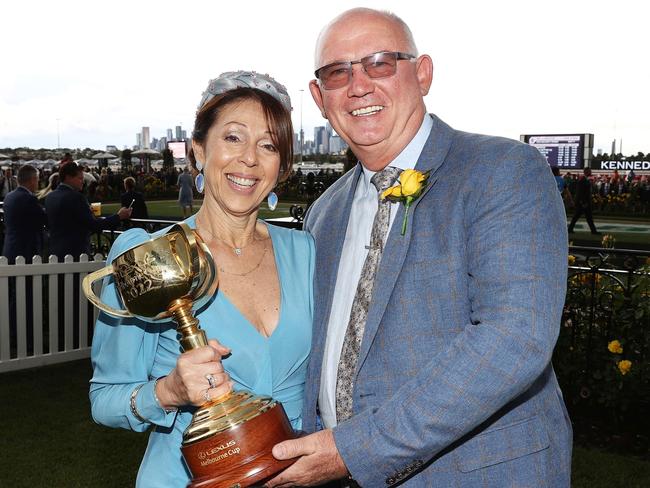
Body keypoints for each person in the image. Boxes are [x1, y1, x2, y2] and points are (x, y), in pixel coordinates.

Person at [268, 8, 571, 487]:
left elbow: (514, 336)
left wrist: (355, 450)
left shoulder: (504, 170)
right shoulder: (326, 211)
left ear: (423, 73)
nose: (359, 85)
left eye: (380, 63)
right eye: (336, 72)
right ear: (319, 98)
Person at [89, 71, 314, 487]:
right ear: (198, 149)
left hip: (294, 475)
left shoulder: (308, 253)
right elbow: (105, 399)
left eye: (268, 145)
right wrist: (170, 391)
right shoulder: (146, 257)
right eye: (233, 137)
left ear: (282, 166)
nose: (249, 158)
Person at [45, 162, 132, 261]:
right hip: (75, 253)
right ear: (68, 177)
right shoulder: (76, 197)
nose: (83, 181)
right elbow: (94, 225)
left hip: (55, 252)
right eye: (80, 178)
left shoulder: (50, 197)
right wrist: (118, 216)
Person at [2, 164, 47, 264]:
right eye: (37, 179)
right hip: (26, 251)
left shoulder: (9, 196)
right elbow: (44, 219)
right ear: (32, 180)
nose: (38, 182)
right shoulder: (29, 198)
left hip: (10, 248)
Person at [568, 167, 599, 234]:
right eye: (590, 171)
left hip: (584, 202)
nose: (591, 172)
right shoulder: (582, 180)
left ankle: (593, 231)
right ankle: (570, 229)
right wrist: (583, 202)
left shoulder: (585, 180)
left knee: (587, 217)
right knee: (578, 217)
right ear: (586, 172)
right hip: (582, 203)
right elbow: (580, 192)